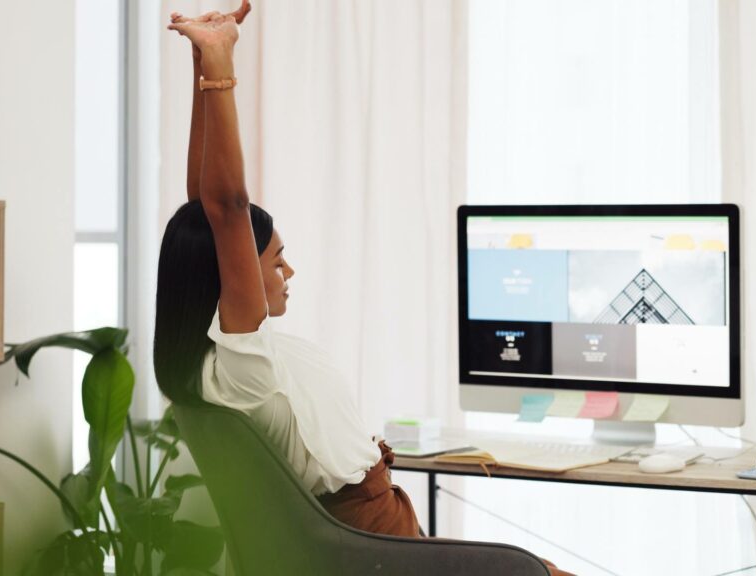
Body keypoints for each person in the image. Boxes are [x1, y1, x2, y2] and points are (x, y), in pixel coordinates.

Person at [156, 4, 573, 575]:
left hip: (362, 537)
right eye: (276, 261)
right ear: (234, 276)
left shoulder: (210, 364)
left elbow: (204, 208)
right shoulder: (244, 365)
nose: (289, 273)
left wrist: (203, 66)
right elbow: (224, 209)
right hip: (367, 541)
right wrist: (224, 62)